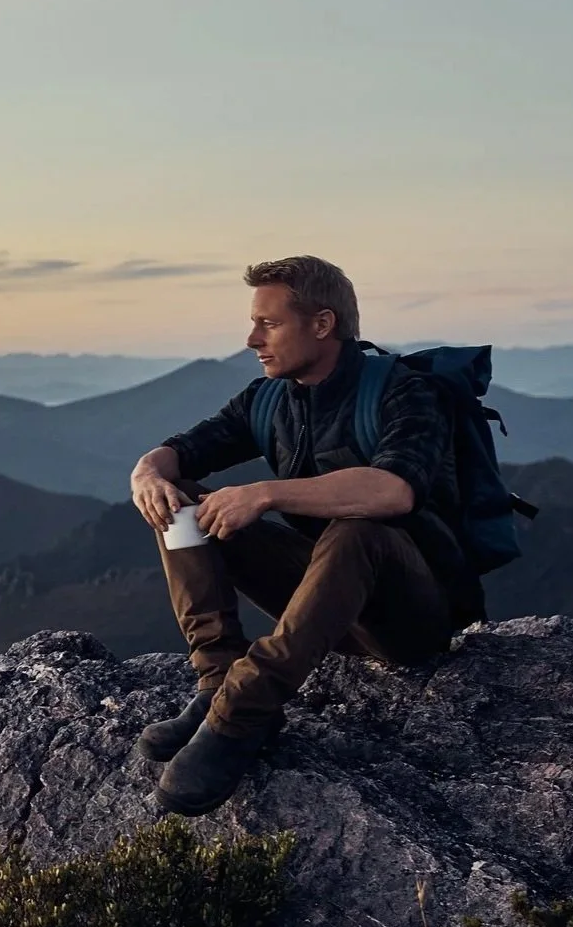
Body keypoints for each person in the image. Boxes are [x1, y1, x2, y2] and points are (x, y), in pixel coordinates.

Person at [128, 255, 484, 816]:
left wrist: (267, 493)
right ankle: (216, 681)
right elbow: (183, 450)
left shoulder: (404, 392)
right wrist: (147, 474)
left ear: (322, 324)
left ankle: (243, 712)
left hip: (410, 617)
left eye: (268, 324)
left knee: (355, 532)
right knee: (184, 508)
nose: (251, 339)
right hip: (327, 610)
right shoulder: (267, 400)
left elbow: (394, 491)